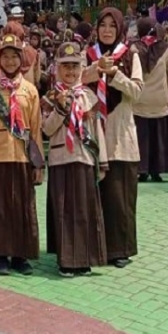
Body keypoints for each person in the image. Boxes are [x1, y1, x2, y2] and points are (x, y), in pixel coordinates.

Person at [0, 33, 43, 276]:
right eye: (5, 56)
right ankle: (1, 255)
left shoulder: (30, 90)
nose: (10, 61)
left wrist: (38, 164)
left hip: (22, 156)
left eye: (14, 56)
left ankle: (20, 255)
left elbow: (35, 128)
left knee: (21, 207)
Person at [83, 8, 142, 269]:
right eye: (102, 25)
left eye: (111, 25)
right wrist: (98, 69)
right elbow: (77, 80)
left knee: (119, 196)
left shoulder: (130, 55)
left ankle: (119, 249)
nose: (107, 30)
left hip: (119, 136)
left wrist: (115, 75)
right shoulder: (87, 55)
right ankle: (93, 246)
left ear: (119, 29)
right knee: (94, 195)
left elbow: (137, 91)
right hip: (93, 133)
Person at [44, 42, 107, 278]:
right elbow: (46, 129)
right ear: (57, 70)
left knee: (84, 210)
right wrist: (60, 109)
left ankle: (84, 258)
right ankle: (65, 260)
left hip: (85, 158)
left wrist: (104, 160)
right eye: (65, 68)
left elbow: (97, 130)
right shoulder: (50, 97)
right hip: (61, 158)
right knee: (64, 211)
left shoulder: (89, 96)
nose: (70, 72)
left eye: (74, 67)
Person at [132, 17, 168, 183]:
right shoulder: (166, 49)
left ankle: (142, 169)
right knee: (158, 137)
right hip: (160, 100)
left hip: (138, 100)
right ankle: (157, 170)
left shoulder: (134, 48)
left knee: (142, 137)